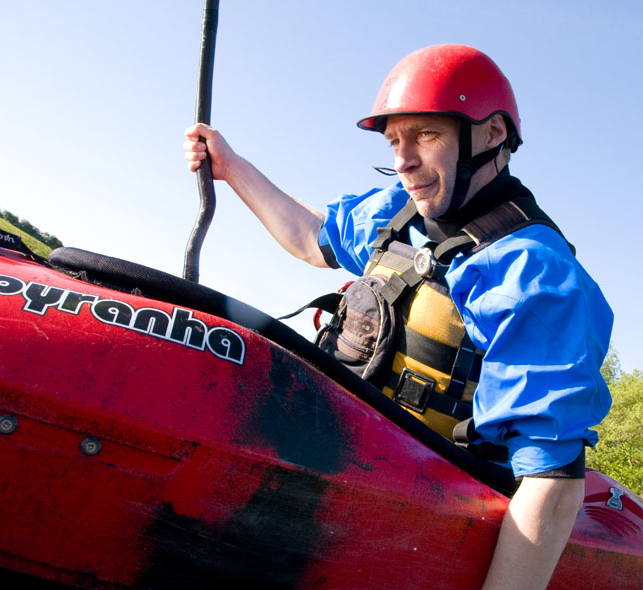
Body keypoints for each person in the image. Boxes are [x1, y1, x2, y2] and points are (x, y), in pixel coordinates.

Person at [183, 44, 612, 590]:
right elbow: (310, 235)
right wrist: (232, 168)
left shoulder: (534, 275)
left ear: (494, 134)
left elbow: (551, 483)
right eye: (394, 142)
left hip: (420, 522)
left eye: (425, 135)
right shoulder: (399, 216)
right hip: (334, 473)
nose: (404, 159)